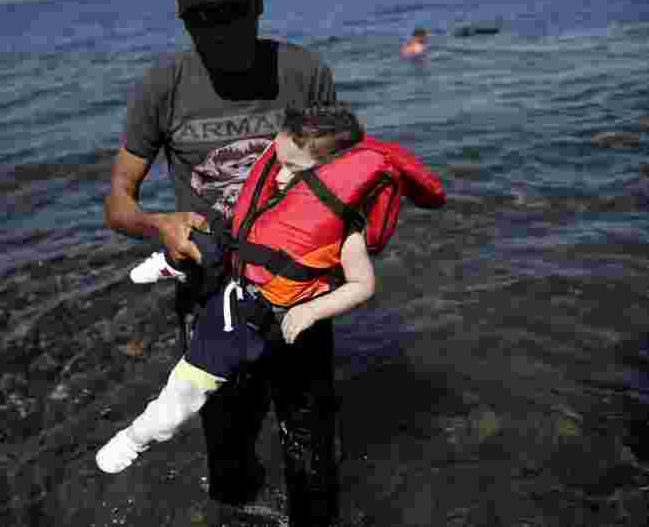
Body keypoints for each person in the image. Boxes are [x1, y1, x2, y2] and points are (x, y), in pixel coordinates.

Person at [103, 103, 446, 525]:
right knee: (209, 232)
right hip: (232, 289)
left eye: (293, 169)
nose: (279, 176)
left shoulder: (343, 223)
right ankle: (169, 263)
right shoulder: (278, 186)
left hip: (263, 320)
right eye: (278, 162)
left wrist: (313, 311)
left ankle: (135, 438)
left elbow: (363, 285)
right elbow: (241, 237)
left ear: (329, 172)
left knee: (187, 389)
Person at [103, 0, 340, 525]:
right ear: (182, 19)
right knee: (228, 438)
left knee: (309, 434)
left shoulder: (304, 74)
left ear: (258, 3)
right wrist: (160, 223)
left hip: (298, 291)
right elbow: (117, 202)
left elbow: (345, 180)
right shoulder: (162, 87)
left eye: (232, 12)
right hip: (208, 292)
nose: (219, 30)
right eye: (202, 19)